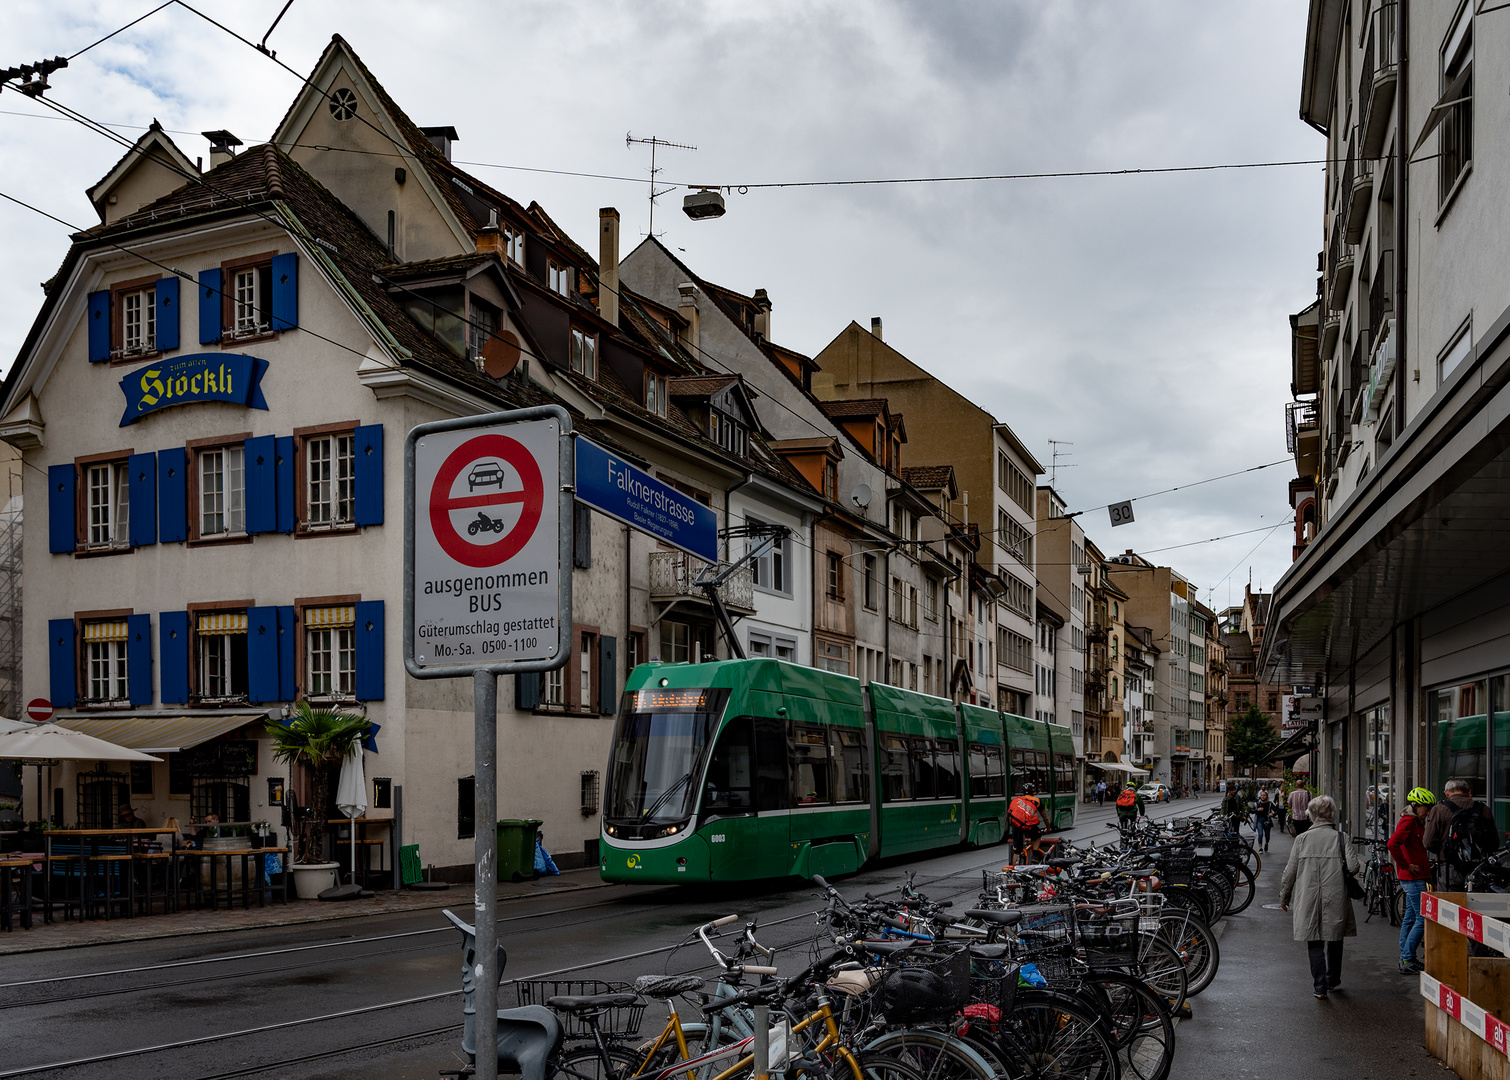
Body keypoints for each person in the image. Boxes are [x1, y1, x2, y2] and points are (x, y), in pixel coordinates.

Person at [1280, 795, 1361, 999]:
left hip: (1308, 895)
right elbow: (1353, 867)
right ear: (1331, 814)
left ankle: (1319, 987)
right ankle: (1333, 979)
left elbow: (1290, 872)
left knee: (1314, 941)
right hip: (1335, 894)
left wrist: (1284, 897)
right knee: (1334, 937)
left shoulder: (1302, 839)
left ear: (1311, 815)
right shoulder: (1341, 838)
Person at [1388, 788, 1436, 974]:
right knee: (1422, 918)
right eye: (1426, 807)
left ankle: (1405, 953)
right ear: (1415, 806)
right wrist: (1406, 865)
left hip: (1415, 876)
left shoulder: (1416, 821)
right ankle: (1407, 959)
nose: (1429, 811)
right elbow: (1392, 844)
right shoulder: (1408, 822)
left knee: (1410, 916)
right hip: (1413, 877)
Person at [1424, 778, 1500, 890]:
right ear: (1468, 791)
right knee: (1474, 903)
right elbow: (1494, 843)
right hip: (1477, 868)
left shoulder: (1439, 809)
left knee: (1448, 903)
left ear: (1446, 793)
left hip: (1449, 868)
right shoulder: (1483, 809)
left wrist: (1445, 851)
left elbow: (1428, 842)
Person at [1008, 783, 1044, 865]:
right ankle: (1034, 855)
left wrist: (1013, 828)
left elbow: (1011, 817)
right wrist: (1048, 828)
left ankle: (1014, 871)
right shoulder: (1036, 800)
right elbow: (1044, 817)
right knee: (1037, 836)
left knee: (1016, 851)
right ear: (1033, 793)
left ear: (1023, 793)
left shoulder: (1015, 800)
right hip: (1029, 827)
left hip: (1017, 826)